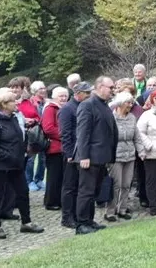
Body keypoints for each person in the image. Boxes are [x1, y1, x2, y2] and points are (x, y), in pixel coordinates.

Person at [0, 87, 45, 239]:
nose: (17, 102)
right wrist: (9, 156)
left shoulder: (13, 118)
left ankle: (26, 222)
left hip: (16, 164)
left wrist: (24, 151)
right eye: (13, 100)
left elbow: (20, 138)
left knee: (23, 192)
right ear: (4, 104)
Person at [74, 76, 118, 235]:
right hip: (89, 158)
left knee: (93, 191)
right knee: (86, 191)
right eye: (110, 87)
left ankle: (89, 220)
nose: (113, 90)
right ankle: (81, 224)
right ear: (99, 87)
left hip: (101, 157)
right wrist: (84, 156)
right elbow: (83, 133)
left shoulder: (104, 105)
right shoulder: (87, 105)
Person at [59, 81, 91, 229]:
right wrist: (69, 153)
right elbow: (65, 133)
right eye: (87, 93)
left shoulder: (84, 106)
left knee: (80, 186)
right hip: (72, 153)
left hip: (82, 152)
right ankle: (67, 217)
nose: (90, 95)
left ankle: (79, 215)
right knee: (69, 187)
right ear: (78, 94)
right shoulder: (67, 109)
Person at [106, 91, 140, 222]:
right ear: (120, 103)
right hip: (115, 156)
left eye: (132, 102)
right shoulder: (111, 117)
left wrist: (141, 151)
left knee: (126, 184)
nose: (130, 105)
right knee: (116, 184)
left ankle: (122, 209)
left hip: (130, 155)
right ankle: (110, 211)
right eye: (128, 102)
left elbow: (136, 136)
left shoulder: (132, 117)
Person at [40, 86, 69, 211]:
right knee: (53, 177)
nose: (63, 98)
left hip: (64, 148)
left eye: (65, 96)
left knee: (63, 176)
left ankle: (61, 200)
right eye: (60, 96)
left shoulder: (65, 108)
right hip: (54, 148)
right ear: (54, 97)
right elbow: (48, 128)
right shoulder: (50, 109)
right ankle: (51, 201)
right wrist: (65, 136)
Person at [20, 81, 47, 192]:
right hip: (32, 132)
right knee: (31, 158)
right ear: (35, 91)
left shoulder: (46, 102)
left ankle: (39, 179)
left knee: (43, 157)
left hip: (44, 132)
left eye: (44, 88)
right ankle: (29, 180)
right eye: (41, 88)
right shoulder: (30, 102)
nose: (43, 90)